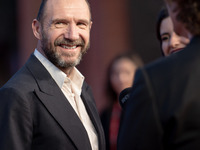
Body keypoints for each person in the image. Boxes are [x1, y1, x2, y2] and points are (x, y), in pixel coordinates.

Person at [0, 0, 106, 149]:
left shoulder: (83, 89)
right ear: (37, 29)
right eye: (60, 23)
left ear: (90, 28)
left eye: (81, 24)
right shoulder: (16, 95)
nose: (72, 35)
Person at [118, 0, 200, 149]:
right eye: (165, 38)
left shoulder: (152, 80)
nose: (172, 43)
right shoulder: (153, 83)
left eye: (178, 33)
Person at [100, 52, 143, 150]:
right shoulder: (106, 114)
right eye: (115, 73)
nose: (121, 78)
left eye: (127, 72)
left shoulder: (148, 109)